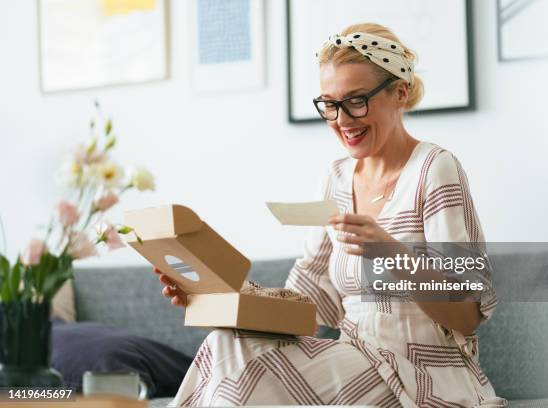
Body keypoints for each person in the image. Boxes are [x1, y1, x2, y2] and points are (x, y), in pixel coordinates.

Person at [156, 23, 507, 407]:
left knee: (249, 373)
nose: (342, 119)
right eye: (330, 104)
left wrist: (388, 249)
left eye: (357, 100)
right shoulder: (336, 179)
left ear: (399, 92)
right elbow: (307, 309)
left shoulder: (434, 169)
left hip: (422, 376)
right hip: (355, 359)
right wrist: (217, 297)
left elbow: (468, 313)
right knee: (225, 343)